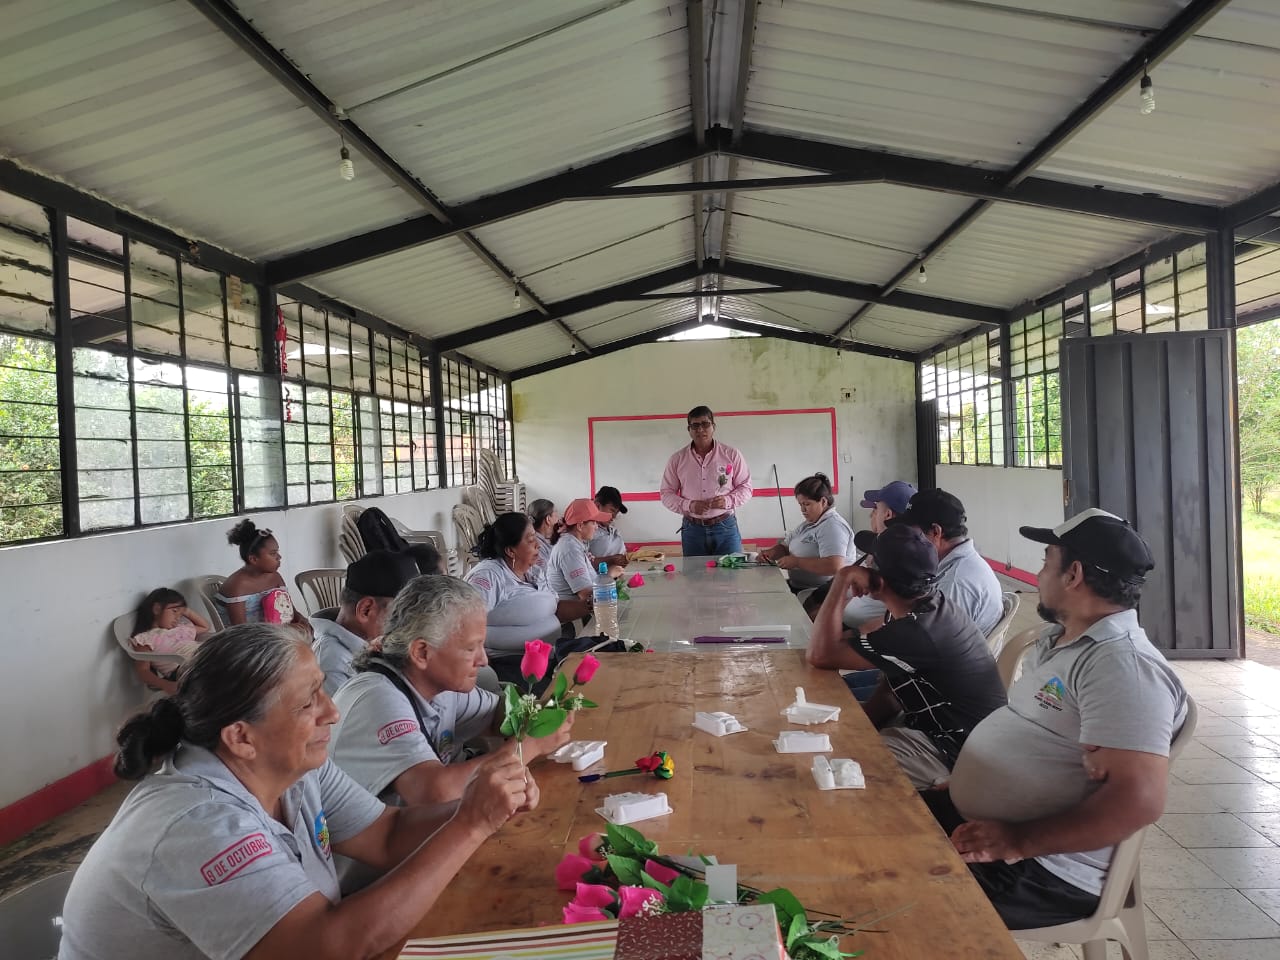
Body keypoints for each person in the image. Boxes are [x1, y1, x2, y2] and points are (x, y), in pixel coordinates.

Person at [58, 624, 533, 960]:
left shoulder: (293, 768)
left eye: (322, 690)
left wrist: (483, 804)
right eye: (308, 703)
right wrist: (471, 825)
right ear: (241, 737)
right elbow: (325, 947)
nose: (332, 713)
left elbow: (386, 834)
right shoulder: (198, 824)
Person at [924, 508, 1188, 930]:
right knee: (860, 823)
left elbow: (1139, 799)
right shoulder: (1064, 641)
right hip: (988, 826)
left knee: (878, 891)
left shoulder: (1123, 666)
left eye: (1046, 562)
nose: (1039, 574)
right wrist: (973, 782)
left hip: (1041, 869)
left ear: (1073, 574)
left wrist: (1018, 841)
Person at [329, 575, 571, 808]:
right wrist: (529, 746)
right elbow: (433, 793)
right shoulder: (378, 698)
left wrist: (544, 712)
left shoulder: (438, 684)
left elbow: (499, 715)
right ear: (422, 652)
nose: (483, 660)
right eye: (471, 648)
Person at [807, 524, 1006, 789]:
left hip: (957, 752)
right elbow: (891, 691)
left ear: (878, 581)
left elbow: (820, 654)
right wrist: (859, 729)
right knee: (834, 741)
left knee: (834, 770)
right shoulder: (926, 605)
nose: (864, 564)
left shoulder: (917, 630)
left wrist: (842, 580)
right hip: (934, 731)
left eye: (869, 561)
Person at [464, 513, 590, 681]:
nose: (538, 545)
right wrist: (487, 672)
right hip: (509, 663)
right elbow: (466, 623)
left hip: (548, 655)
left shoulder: (533, 572)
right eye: (531, 540)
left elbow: (555, 608)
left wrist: (591, 605)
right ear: (510, 550)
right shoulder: (488, 575)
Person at [887, 488, 1004, 641]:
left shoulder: (955, 583)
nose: (906, 541)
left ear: (936, 532)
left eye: (911, 534)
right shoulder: (957, 563)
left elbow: (930, 646)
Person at [312, 550, 419, 698]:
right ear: (366, 610)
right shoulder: (333, 664)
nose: (409, 626)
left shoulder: (374, 645)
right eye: (402, 615)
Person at [659, 405, 752, 556]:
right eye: (695, 425)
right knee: (694, 571)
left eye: (705, 424)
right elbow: (666, 493)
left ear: (713, 427)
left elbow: (746, 487)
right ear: (689, 429)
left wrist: (728, 500)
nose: (700, 429)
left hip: (726, 527)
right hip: (692, 530)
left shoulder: (731, 455)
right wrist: (689, 505)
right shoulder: (677, 459)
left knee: (732, 570)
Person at [754, 473, 856, 597]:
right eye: (800, 504)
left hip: (823, 594)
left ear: (823, 502)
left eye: (807, 504)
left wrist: (797, 562)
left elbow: (834, 566)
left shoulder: (833, 526)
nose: (802, 510)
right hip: (800, 588)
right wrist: (771, 553)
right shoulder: (808, 524)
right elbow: (785, 547)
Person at [841, 480, 917, 626]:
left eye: (875, 508)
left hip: (862, 634)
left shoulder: (898, 561)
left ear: (887, 514)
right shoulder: (877, 548)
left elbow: (899, 617)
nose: (871, 515)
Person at [217, 519, 311, 636]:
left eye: (277, 552)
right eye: (273, 553)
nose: (279, 557)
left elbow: (290, 610)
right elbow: (241, 631)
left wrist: (301, 620)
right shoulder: (237, 586)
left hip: (275, 634)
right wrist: (286, 630)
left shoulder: (275, 577)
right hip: (246, 640)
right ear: (254, 559)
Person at [129, 588, 212, 695]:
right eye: (174, 611)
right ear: (157, 609)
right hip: (186, 668)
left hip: (205, 657)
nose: (178, 618)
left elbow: (205, 626)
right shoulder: (145, 638)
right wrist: (166, 685)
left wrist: (185, 610)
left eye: (181, 615)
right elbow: (143, 671)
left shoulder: (180, 628)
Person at [548, 498, 613, 603]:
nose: (596, 527)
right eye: (594, 523)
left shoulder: (574, 544)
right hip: (575, 611)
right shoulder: (570, 549)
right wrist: (610, 576)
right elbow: (586, 595)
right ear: (580, 526)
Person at [589, 486, 630, 567]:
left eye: (616, 513)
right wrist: (610, 560)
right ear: (597, 506)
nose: (614, 516)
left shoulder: (612, 529)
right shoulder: (586, 531)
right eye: (612, 510)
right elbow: (581, 562)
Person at [527, 499, 559, 571]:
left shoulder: (548, 538)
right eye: (556, 514)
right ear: (548, 519)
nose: (558, 519)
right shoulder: (537, 546)